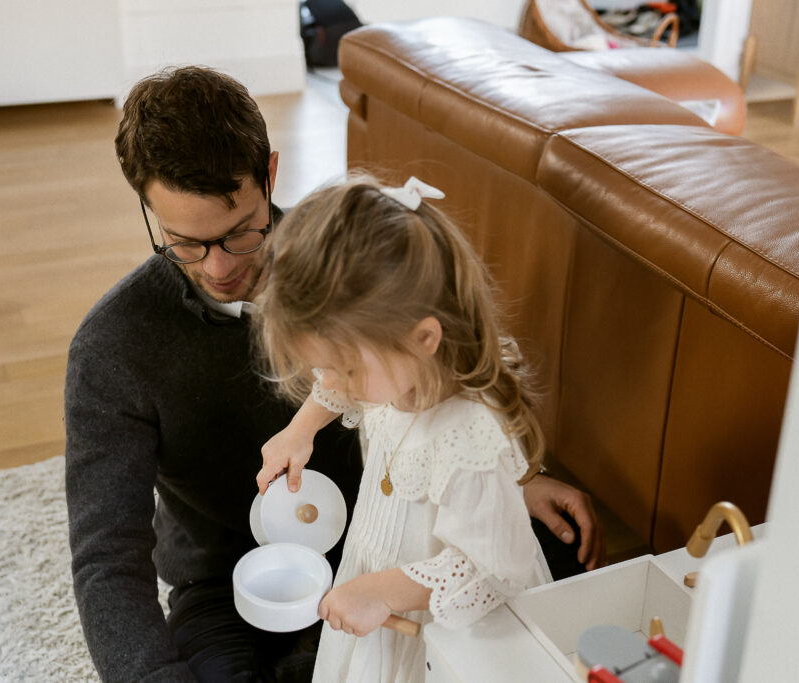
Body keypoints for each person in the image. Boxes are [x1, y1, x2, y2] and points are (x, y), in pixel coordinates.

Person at [64, 66, 604, 683]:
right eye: (184, 242)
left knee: (547, 578)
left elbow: (452, 365)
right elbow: (106, 556)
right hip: (226, 585)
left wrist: (513, 478)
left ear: (269, 175)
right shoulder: (111, 346)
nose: (217, 268)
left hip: (382, 552)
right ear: (147, 207)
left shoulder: (353, 265)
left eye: (239, 232)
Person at [254, 174, 563, 681]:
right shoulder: (401, 372)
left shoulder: (467, 436)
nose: (331, 382)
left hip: (442, 619)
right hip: (380, 581)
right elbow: (335, 386)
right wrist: (301, 428)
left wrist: (379, 591)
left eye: (345, 370)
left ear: (423, 339)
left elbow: (494, 568)